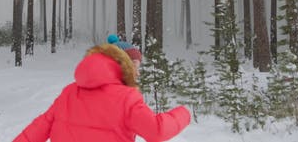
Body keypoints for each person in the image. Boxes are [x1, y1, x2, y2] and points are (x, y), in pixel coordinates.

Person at [13, 37, 190, 142]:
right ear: (123, 64)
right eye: (134, 64)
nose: (138, 71)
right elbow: (157, 130)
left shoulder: (69, 92)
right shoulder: (127, 98)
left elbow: (35, 131)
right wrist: (184, 113)